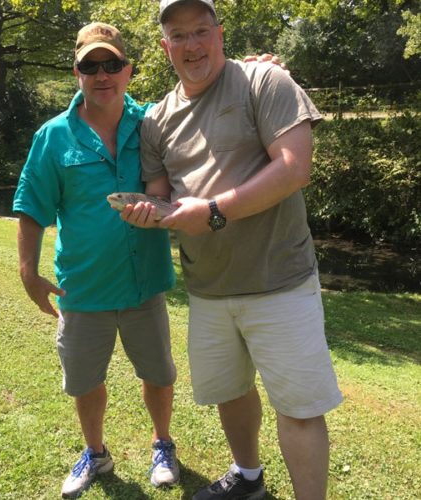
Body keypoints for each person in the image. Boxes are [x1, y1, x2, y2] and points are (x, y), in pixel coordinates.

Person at [121, 1, 344, 499]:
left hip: (279, 280)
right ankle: (248, 479)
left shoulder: (264, 82)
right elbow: (161, 197)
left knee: (300, 409)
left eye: (201, 30)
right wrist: (148, 214)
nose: (192, 45)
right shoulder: (156, 120)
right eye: (179, 36)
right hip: (209, 289)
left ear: (220, 34)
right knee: (231, 392)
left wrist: (215, 211)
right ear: (165, 47)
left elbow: (294, 167)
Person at [13, 22, 180, 499]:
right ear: (77, 72)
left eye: (111, 64)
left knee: (158, 374)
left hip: (144, 283)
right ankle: (96, 452)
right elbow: (31, 207)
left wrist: (252, 72)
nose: (102, 74)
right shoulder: (53, 136)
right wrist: (29, 271)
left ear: (128, 70)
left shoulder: (152, 122)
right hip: (82, 290)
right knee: (86, 380)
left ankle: (162, 444)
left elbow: (204, 108)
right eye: (91, 65)